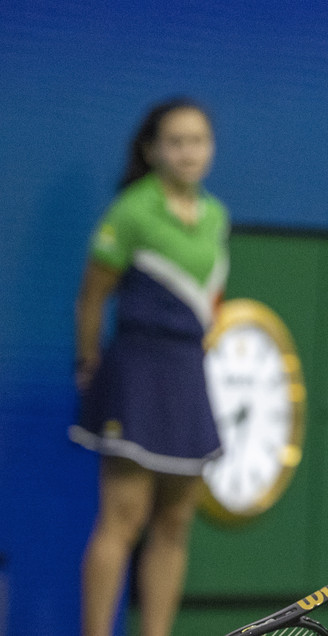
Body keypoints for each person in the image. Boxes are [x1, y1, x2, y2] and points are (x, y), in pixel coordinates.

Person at [69, 98, 229, 636]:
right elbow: (92, 298)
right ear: (151, 150)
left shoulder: (216, 216)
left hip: (188, 372)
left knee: (176, 520)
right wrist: (89, 362)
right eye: (176, 141)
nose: (189, 152)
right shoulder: (130, 211)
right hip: (136, 370)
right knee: (124, 517)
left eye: (199, 140)